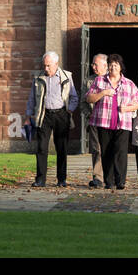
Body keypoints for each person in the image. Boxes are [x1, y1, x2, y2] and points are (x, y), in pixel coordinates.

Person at [85, 53, 138, 190]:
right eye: (110, 65)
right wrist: (103, 93)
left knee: (120, 152)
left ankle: (120, 181)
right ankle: (109, 181)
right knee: (106, 152)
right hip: (103, 122)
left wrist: (127, 108)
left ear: (120, 67)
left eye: (116, 65)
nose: (113, 67)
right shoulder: (99, 81)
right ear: (107, 67)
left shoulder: (129, 84)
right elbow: (89, 98)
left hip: (122, 123)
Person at [25, 50, 79, 188]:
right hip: (44, 115)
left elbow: (74, 96)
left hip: (61, 115)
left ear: (56, 64)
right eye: (44, 65)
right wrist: (28, 116)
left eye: (48, 65)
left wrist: (69, 110)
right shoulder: (38, 77)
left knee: (61, 148)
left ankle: (61, 179)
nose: (46, 68)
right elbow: (32, 98)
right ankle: (40, 179)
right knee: (41, 148)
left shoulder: (66, 76)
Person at [81, 53, 108, 187]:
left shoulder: (113, 79)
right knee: (96, 149)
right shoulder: (88, 81)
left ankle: (111, 176)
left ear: (105, 65)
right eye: (92, 64)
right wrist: (89, 115)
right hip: (95, 121)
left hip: (110, 122)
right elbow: (83, 102)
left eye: (95, 64)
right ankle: (98, 177)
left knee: (110, 149)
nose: (93, 66)